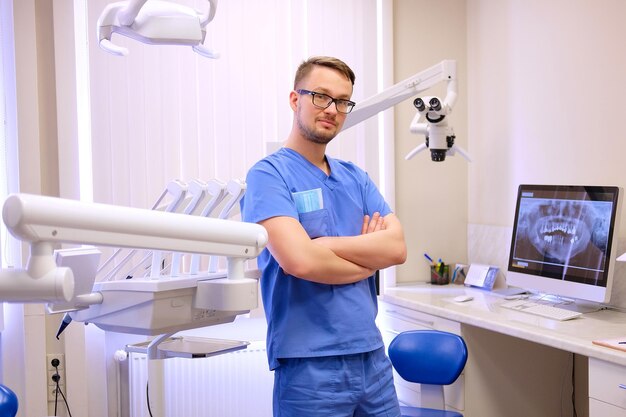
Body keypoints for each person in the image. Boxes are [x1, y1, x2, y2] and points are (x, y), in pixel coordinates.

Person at [241, 56, 407, 417]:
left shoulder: (355, 178)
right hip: (308, 366)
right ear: (294, 99)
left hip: (371, 357)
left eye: (342, 101)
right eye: (321, 96)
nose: (332, 109)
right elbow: (299, 261)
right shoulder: (268, 176)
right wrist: (366, 260)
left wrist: (325, 247)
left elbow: (396, 248)